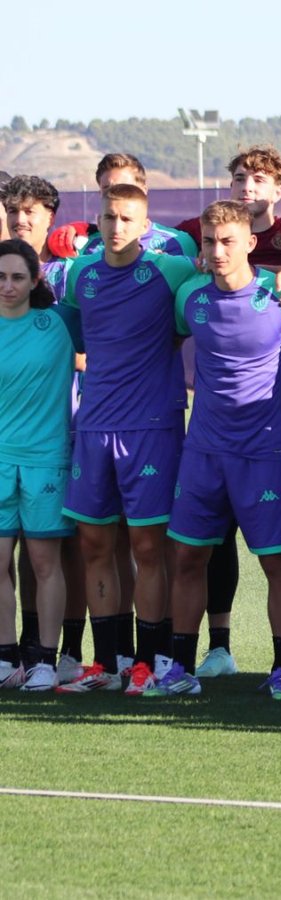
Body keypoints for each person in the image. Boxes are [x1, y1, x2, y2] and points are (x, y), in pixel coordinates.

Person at [154, 201, 281, 699]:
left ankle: (280, 667)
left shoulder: (280, 296)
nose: (216, 250)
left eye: (228, 241)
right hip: (203, 451)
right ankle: (181, 667)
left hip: (262, 454)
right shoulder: (190, 298)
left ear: (250, 243)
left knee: (277, 563)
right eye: (209, 241)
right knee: (187, 558)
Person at [51, 185, 209, 694]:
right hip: (94, 426)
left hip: (152, 429)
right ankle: (109, 661)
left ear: (145, 226)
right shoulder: (81, 275)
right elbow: (76, 336)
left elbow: (208, 303)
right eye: (108, 217)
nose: (116, 227)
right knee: (95, 541)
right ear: (96, 221)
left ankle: (151, 660)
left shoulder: (171, 271)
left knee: (147, 545)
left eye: (126, 219)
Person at [0, 239, 74, 690]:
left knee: (45, 562)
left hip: (46, 460)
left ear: (35, 280)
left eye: (17, 277)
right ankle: (7, 658)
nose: (7, 286)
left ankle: (46, 659)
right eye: (0, 277)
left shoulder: (59, 323)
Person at [79, 154, 198, 258]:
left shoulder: (178, 243)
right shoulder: (83, 246)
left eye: (125, 188)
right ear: (100, 193)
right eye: (107, 189)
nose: (115, 194)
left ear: (143, 191)